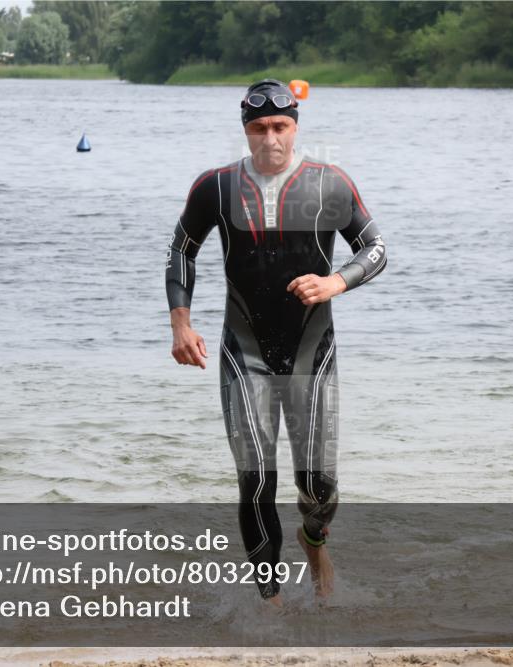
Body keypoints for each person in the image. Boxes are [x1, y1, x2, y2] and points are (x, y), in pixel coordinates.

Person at [165, 79, 387, 606]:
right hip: (243, 350)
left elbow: (376, 248)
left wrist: (336, 281)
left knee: (319, 485)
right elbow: (181, 251)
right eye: (259, 128)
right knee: (256, 477)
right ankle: (272, 606)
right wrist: (180, 324)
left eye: (280, 127)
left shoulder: (329, 184)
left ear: (295, 127)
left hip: (313, 349)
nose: (270, 138)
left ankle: (314, 539)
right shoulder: (215, 188)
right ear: (245, 130)